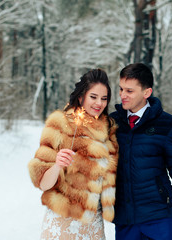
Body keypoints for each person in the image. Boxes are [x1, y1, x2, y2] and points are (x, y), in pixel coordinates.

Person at [110, 63, 172, 240]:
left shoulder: (168, 125)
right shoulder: (111, 123)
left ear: (146, 92)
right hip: (125, 219)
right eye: (121, 89)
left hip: (160, 218)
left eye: (129, 91)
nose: (122, 95)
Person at [28, 69, 118, 240]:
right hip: (64, 224)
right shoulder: (60, 125)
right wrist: (57, 166)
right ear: (81, 96)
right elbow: (43, 184)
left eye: (104, 98)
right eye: (93, 97)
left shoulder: (110, 131)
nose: (99, 103)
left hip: (93, 227)